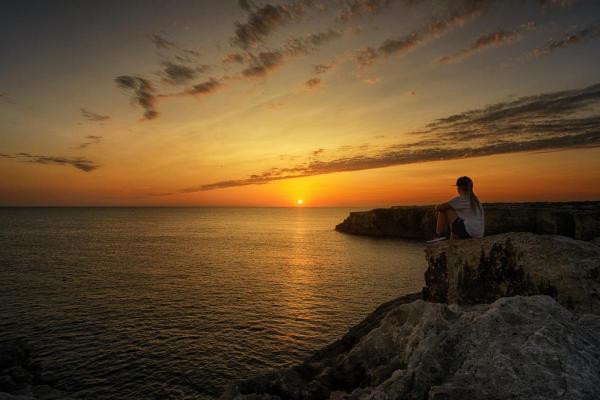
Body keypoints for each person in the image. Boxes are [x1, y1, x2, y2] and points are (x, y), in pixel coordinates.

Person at [426, 176, 484, 243]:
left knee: (446, 209)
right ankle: (452, 239)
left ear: (459, 188)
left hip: (469, 232)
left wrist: (436, 206)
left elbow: (439, 208)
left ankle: (439, 235)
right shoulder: (476, 199)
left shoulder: (461, 199)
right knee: (456, 218)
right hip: (479, 234)